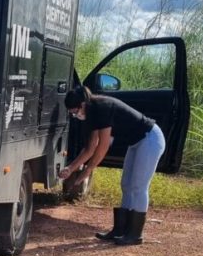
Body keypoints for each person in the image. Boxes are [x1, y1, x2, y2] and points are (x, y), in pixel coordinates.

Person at [58, 86, 165, 245]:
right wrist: (71, 168)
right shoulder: (91, 112)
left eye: (75, 112)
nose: (75, 115)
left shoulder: (102, 107)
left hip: (150, 139)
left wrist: (88, 170)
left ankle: (135, 234)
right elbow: (90, 147)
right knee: (126, 185)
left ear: (83, 104)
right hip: (136, 143)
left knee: (138, 186)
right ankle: (120, 230)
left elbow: (103, 146)